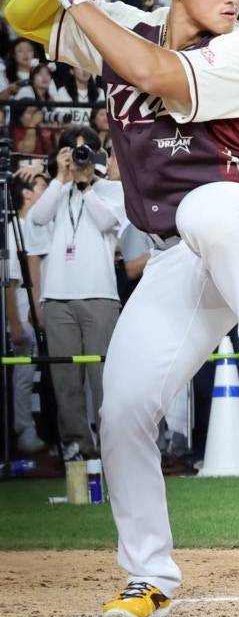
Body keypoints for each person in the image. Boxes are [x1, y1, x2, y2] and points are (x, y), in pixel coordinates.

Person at [5, 0, 239, 617]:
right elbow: (21, 16)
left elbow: (149, 73)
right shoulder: (122, 23)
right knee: (121, 413)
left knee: (206, 208)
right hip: (186, 256)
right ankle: (148, 575)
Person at [28, 126, 124, 462]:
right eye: (72, 151)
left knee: (103, 379)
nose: (78, 157)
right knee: (65, 379)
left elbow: (105, 222)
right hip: (58, 296)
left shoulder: (112, 190)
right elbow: (37, 219)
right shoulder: (58, 191)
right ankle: (76, 444)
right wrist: (60, 178)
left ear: (99, 155)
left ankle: (112, 445)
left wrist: (85, 184)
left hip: (100, 294)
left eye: (84, 151)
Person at [7, 172, 49, 454]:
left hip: (37, 309)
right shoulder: (12, 230)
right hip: (22, 312)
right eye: (41, 187)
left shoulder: (35, 226)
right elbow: (8, 284)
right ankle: (23, 431)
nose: (45, 191)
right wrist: (16, 324)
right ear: (26, 193)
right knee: (23, 376)